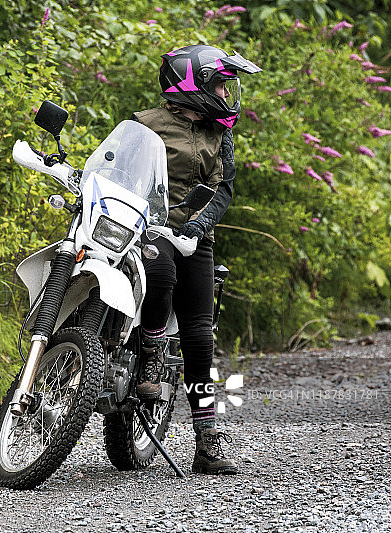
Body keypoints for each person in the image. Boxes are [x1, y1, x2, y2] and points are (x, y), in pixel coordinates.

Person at [130, 44, 261, 475]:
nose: (228, 95)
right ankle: (148, 351)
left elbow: (223, 190)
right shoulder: (143, 124)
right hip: (146, 230)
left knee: (200, 334)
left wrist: (198, 227)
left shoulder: (220, 137)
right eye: (222, 85)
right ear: (194, 84)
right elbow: (116, 167)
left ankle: (206, 440)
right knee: (161, 270)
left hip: (193, 235)